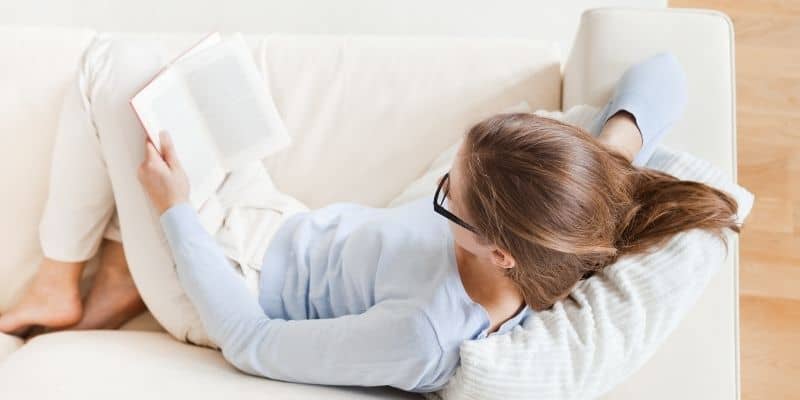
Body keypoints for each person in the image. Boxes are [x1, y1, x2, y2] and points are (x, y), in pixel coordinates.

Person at [0, 46, 739, 393]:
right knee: (174, 86)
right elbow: (664, 69)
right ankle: (125, 256)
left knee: (109, 67)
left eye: (451, 189)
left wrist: (175, 212)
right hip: (277, 219)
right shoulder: (567, 224)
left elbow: (253, 342)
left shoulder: (421, 335)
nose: (440, 184)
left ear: (497, 250)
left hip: (224, 281)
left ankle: (61, 282)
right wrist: (612, 151)